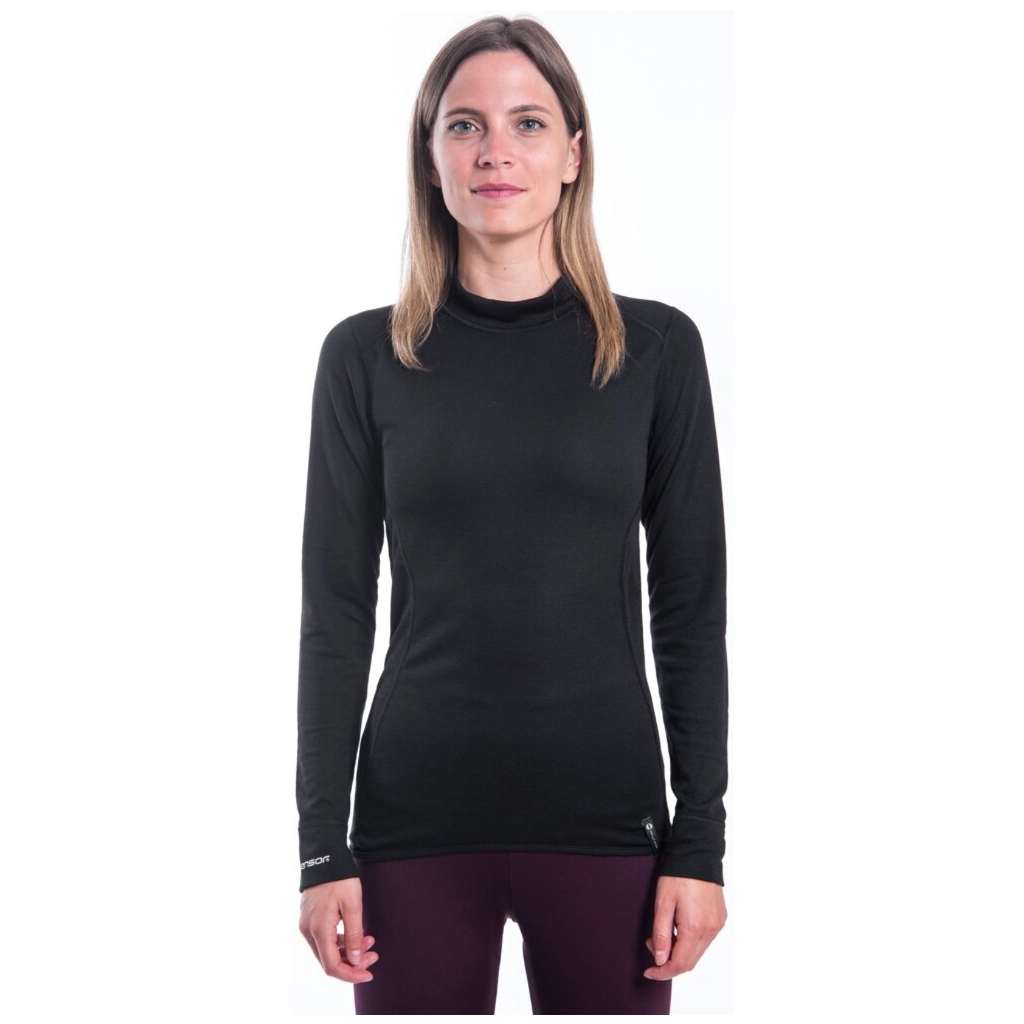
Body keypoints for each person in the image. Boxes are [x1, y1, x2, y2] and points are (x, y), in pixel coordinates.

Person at [296, 14, 729, 1014]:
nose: (496, 151)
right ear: (430, 157)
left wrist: (699, 843)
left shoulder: (656, 353)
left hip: (609, 828)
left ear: (573, 153)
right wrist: (322, 847)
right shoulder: (364, 358)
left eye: (528, 123)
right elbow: (335, 616)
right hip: (411, 828)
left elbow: (691, 611)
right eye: (465, 125)